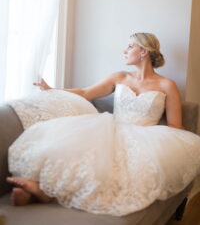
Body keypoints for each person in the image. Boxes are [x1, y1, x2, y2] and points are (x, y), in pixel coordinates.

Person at [6, 32, 200, 216]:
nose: (124, 50)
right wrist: (51, 89)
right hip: (111, 129)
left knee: (118, 167)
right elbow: (85, 93)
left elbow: (175, 125)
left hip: (145, 136)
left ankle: (43, 193)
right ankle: (41, 188)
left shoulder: (167, 85)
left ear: (144, 52)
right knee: (75, 148)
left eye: (130, 46)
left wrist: (160, 145)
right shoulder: (120, 77)